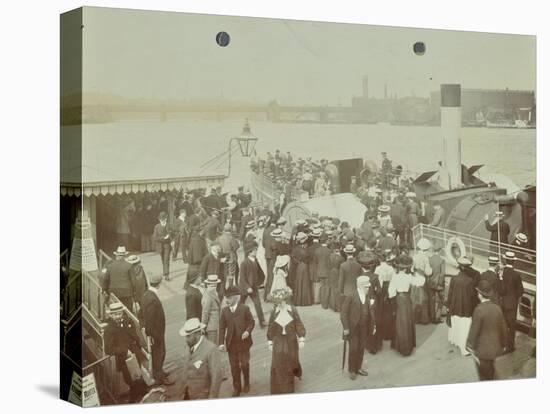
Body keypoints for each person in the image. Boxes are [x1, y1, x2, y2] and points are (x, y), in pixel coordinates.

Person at [103, 302, 148, 403]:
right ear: (110, 315)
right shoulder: (109, 329)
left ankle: (143, 394)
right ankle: (136, 397)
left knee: (139, 374)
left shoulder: (128, 321)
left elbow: (135, 335)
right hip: (124, 358)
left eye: (120, 313)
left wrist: (140, 347)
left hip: (135, 353)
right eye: (115, 314)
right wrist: (124, 351)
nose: (118, 316)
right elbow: (108, 349)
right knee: (129, 379)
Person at [266, 287, 306, 394]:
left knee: (289, 362)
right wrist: (270, 340)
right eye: (277, 303)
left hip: (290, 340)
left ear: (285, 300)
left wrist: (301, 337)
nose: (279, 304)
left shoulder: (292, 310)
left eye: (281, 302)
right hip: (278, 340)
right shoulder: (274, 312)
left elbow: (298, 323)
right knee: (277, 362)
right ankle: (277, 387)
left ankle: (288, 388)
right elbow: (271, 327)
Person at [466, 280, 507, 381]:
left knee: (484, 375)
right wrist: (504, 344)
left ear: (480, 294)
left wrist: (469, 345)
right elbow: (503, 328)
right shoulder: (497, 308)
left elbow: (474, 330)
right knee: (491, 368)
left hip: (482, 350)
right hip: (495, 348)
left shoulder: (479, 310)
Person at [218, 286, 255, 397]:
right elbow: (222, 328)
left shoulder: (244, 308)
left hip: (244, 343)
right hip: (231, 344)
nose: (226, 300)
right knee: (234, 367)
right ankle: (237, 388)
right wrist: (220, 343)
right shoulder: (224, 311)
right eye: (225, 298)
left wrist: (247, 332)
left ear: (236, 298)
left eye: (228, 298)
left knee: (244, 364)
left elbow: (251, 322)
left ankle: (247, 382)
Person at [139, 272, 173, 386]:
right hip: (156, 333)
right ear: (159, 284)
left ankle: (160, 372)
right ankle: (159, 378)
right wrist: (150, 334)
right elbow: (150, 319)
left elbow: (141, 313)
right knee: (160, 353)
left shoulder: (145, 295)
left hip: (153, 332)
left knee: (158, 353)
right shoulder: (152, 299)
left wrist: (143, 326)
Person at [178, 318, 223, 400]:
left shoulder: (211, 349)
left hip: (202, 397)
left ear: (197, 334)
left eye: (188, 336)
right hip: (187, 393)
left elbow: (216, 377)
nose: (186, 340)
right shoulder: (188, 346)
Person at [388, 255, 422, 356]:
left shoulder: (395, 277)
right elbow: (420, 282)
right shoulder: (409, 276)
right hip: (407, 299)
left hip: (399, 298)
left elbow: (391, 292)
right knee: (407, 321)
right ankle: (408, 346)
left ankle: (400, 346)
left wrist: (392, 301)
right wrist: (415, 273)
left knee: (399, 322)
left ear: (398, 267)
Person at [341, 275, 373, 379]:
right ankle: (352, 370)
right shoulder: (351, 296)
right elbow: (344, 313)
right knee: (353, 349)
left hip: (364, 327)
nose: (368, 288)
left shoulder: (367, 296)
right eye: (366, 287)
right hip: (353, 328)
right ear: (361, 286)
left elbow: (370, 311)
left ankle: (358, 367)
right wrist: (346, 328)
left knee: (361, 348)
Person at [447, 256, 477, 356]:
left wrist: (448, 306)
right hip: (465, 308)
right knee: (464, 327)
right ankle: (463, 348)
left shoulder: (454, 279)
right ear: (467, 268)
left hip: (455, 306)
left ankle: (454, 341)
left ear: (459, 267)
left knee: (455, 323)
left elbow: (450, 294)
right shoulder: (470, 281)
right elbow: (472, 297)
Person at [500, 251, 524, 353]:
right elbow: (520, 291)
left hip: (502, 302)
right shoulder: (516, 275)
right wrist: (514, 297)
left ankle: (503, 344)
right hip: (512, 304)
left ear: (505, 260)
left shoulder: (501, 272)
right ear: (513, 262)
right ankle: (510, 346)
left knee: (503, 324)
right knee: (512, 325)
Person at [239, 242, 267, 328]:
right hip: (245, 288)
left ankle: (262, 322)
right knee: (241, 304)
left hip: (254, 287)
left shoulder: (256, 261)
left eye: (256, 250)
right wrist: (247, 287)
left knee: (258, 304)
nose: (256, 252)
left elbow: (260, 273)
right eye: (255, 250)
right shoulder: (244, 263)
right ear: (249, 252)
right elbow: (242, 278)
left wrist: (260, 282)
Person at [102, 246, 135, 312]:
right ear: (125, 256)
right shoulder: (129, 265)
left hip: (114, 292)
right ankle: (128, 321)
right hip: (127, 292)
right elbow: (133, 281)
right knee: (127, 310)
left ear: (117, 255)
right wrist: (134, 292)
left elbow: (105, 279)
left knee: (116, 310)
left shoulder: (110, 266)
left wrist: (104, 289)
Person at [375, 250, 396, 340]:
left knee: (380, 310)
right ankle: (389, 333)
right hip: (389, 288)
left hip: (381, 289)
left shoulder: (378, 269)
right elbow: (393, 280)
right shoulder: (391, 268)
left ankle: (381, 332)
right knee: (388, 311)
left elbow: (377, 281)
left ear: (380, 259)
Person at [412, 238, 432, 325]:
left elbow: (411, 269)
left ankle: (415, 318)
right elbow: (428, 272)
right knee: (423, 299)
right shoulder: (425, 258)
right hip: (422, 279)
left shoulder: (414, 257)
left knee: (415, 299)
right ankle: (424, 319)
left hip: (415, 278)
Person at [290, 232, 313, 306]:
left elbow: (293, 258)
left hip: (299, 266)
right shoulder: (304, 249)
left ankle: (298, 300)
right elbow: (308, 257)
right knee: (305, 283)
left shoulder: (296, 248)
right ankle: (305, 301)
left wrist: (298, 262)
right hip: (304, 266)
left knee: (299, 282)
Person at [427, 242, 446, 324]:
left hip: (431, 282)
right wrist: (441, 284)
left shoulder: (429, 259)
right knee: (441, 300)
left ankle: (432, 317)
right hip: (439, 284)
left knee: (432, 300)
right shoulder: (442, 260)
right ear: (440, 250)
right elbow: (442, 273)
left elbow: (428, 272)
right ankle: (437, 317)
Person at [201, 274, 222, 345]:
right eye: (214, 285)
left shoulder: (212, 292)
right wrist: (203, 326)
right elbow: (205, 312)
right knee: (212, 345)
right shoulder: (208, 295)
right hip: (211, 325)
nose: (215, 286)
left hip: (214, 324)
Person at [153, 211, 174, 281]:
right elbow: (155, 237)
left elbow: (174, 234)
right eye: (161, 219)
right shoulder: (156, 227)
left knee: (166, 259)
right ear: (159, 220)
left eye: (164, 219)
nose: (162, 220)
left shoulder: (169, 225)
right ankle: (165, 271)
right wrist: (163, 238)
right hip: (160, 246)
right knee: (163, 259)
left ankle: (167, 274)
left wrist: (171, 238)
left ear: (166, 219)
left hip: (167, 245)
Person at [314, 235, 332, 309]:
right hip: (327, 270)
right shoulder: (329, 251)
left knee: (320, 286)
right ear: (326, 241)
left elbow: (316, 261)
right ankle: (325, 303)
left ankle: (318, 300)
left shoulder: (317, 250)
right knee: (326, 287)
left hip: (319, 270)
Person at [328, 243, 345, 312]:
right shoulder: (341, 258)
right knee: (338, 289)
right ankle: (338, 306)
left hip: (332, 272)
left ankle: (332, 305)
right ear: (339, 249)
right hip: (338, 273)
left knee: (332, 288)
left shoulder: (330, 256)